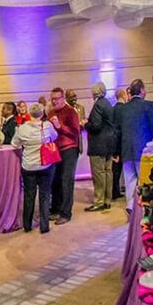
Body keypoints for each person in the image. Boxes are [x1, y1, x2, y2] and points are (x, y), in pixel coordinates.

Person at [12, 102, 59, 233]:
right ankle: (44, 226)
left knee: (29, 195)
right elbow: (55, 137)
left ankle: (27, 225)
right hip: (46, 165)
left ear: (30, 113)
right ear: (42, 113)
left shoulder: (22, 128)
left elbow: (14, 144)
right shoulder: (48, 126)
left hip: (29, 166)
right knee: (45, 195)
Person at [115, 79, 153, 212]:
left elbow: (117, 131)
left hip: (126, 149)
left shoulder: (123, 109)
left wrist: (116, 151)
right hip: (144, 150)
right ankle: (145, 209)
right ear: (141, 90)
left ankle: (131, 207)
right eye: (144, 88)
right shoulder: (149, 105)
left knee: (129, 180)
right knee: (144, 179)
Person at [46, 87, 81, 224]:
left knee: (66, 180)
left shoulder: (71, 112)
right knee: (55, 180)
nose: (54, 101)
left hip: (69, 149)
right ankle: (55, 209)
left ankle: (66, 213)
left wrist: (59, 126)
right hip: (55, 150)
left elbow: (75, 132)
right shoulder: (50, 113)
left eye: (57, 99)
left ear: (63, 98)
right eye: (52, 99)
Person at [85, 82, 116, 212]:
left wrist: (86, 124)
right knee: (108, 172)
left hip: (98, 144)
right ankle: (108, 199)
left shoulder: (98, 105)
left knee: (98, 174)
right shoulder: (108, 103)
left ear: (94, 93)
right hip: (109, 143)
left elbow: (96, 126)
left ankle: (99, 201)